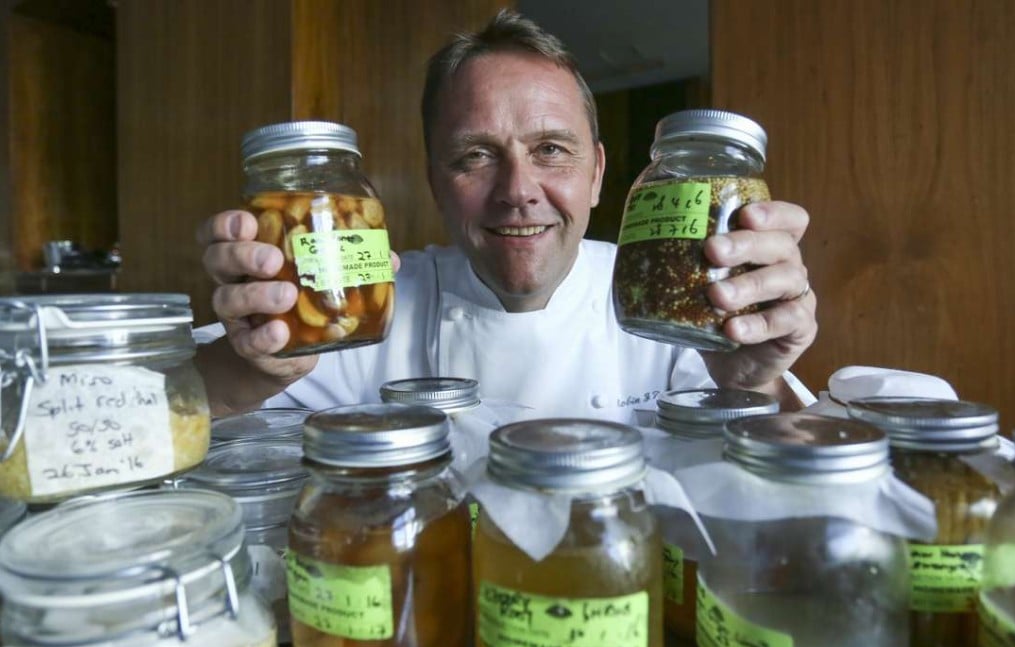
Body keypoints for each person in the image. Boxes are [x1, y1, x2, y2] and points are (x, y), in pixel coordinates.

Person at [194, 9, 817, 421]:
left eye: (551, 149)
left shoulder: (679, 302)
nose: (518, 189)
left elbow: (786, 499)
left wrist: (755, 383)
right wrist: (243, 368)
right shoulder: (357, 306)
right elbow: (176, 424)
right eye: (475, 156)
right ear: (437, 182)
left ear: (597, 173)